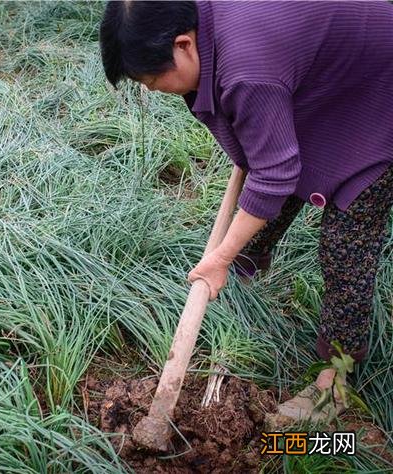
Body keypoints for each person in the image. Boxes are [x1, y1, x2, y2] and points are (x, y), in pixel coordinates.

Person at [99, 0, 393, 422]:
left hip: (380, 91)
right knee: (274, 159)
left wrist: (217, 257)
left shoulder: (247, 69)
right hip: (340, 66)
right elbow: (269, 155)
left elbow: (275, 172)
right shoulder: (211, 28)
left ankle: (336, 381)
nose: (149, 88)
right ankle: (243, 271)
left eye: (151, 77)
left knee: (347, 243)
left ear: (183, 44)